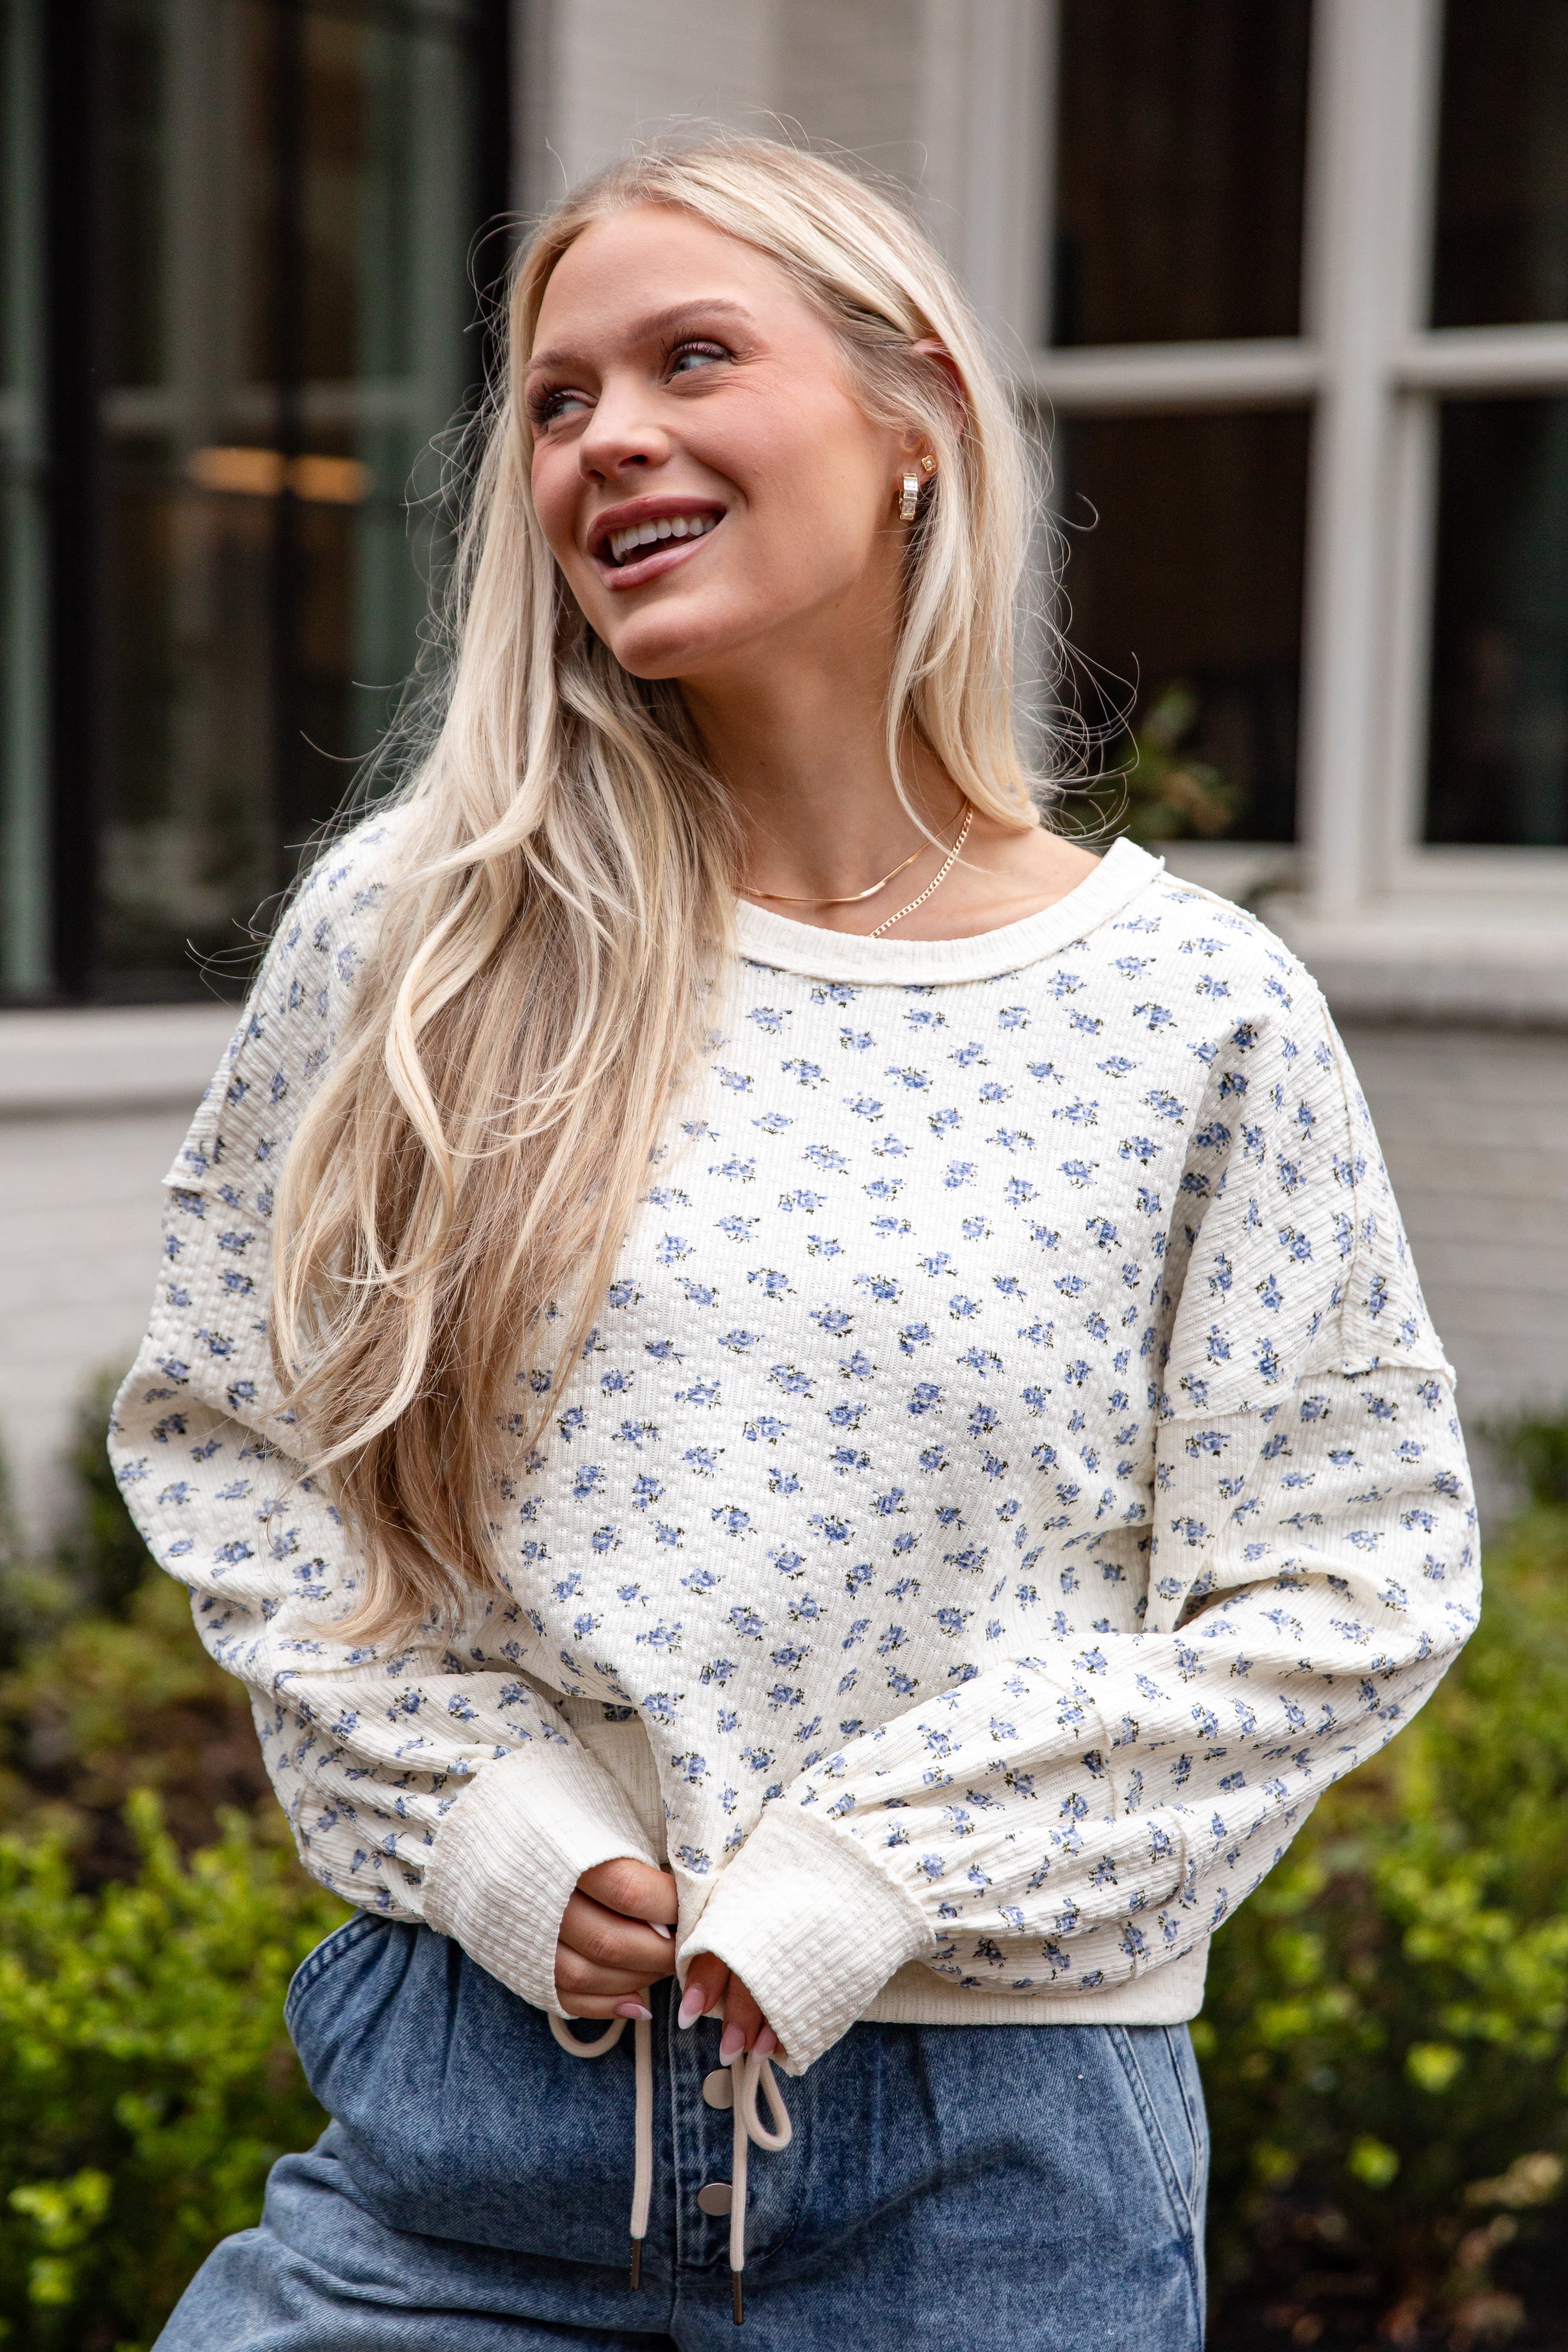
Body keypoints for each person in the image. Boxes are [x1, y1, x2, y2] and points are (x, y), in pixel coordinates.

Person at [111, 138, 1479, 2352]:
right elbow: (232, 1443)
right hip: (472, 2131)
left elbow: (1352, 1571)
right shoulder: (422, 935)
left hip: (991, 2171)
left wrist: (886, 1874)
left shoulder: (1183, 1010)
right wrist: (491, 1830)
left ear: (912, 416)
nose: (606, 437)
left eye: (689, 360)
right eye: (556, 402)